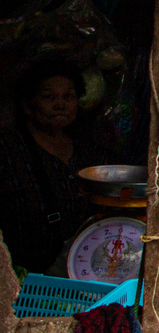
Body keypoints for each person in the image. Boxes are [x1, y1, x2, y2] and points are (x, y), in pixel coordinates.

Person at [0, 59, 108, 273]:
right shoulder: (8, 150)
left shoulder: (89, 152)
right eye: (49, 97)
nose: (60, 104)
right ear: (27, 105)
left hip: (81, 269)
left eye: (68, 97)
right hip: (23, 270)